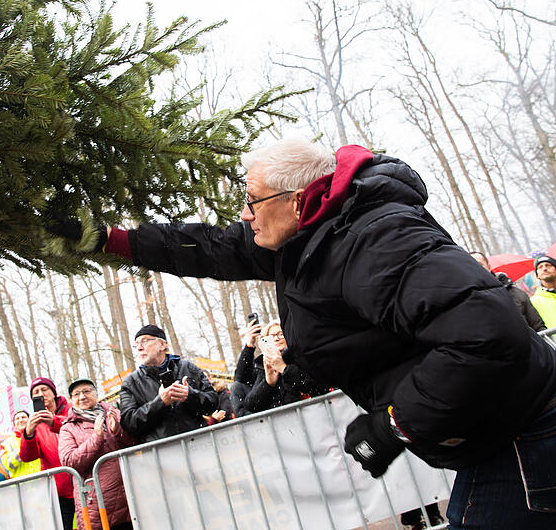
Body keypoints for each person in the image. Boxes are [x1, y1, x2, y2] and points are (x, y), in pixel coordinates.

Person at [74, 137, 556, 529]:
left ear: (297, 199)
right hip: (490, 434)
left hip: (523, 432)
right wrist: (111, 239)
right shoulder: (303, 236)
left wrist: (396, 424)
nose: (244, 214)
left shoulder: (376, 240)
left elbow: (488, 334)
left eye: (251, 200)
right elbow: (210, 248)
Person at [119, 325, 218, 442]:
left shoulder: (188, 368)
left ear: (162, 345)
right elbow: (129, 424)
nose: (139, 347)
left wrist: (190, 395)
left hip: (199, 444)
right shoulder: (130, 383)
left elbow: (213, 403)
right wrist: (160, 403)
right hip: (161, 453)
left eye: (145, 341)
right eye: (136, 344)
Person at [59, 378, 135, 530]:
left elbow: (135, 443)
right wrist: (96, 438)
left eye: (87, 391)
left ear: (96, 393)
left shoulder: (115, 413)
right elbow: (69, 461)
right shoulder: (68, 428)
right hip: (98, 504)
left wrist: (117, 431)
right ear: (71, 400)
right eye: (76, 394)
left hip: (130, 496)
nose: (82, 397)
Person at [19, 377, 73, 530]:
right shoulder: (35, 422)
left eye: (44, 390)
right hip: (57, 490)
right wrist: (28, 434)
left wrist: (54, 421)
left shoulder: (71, 409)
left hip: (82, 482)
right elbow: (28, 456)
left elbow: (80, 427)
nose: (40, 394)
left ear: (53, 393)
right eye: (36, 392)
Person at [240, 320, 329, 413]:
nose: (276, 339)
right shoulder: (265, 366)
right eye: (271, 337)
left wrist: (284, 368)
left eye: (280, 334)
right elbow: (251, 405)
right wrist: (268, 384)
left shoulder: (302, 357)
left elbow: (318, 388)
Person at [470, 251, 546, 331]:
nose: (476, 268)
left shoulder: (516, 293)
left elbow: (538, 326)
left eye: (479, 264)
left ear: (489, 267)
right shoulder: (466, 302)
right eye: (470, 266)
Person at [0, 410, 41, 478]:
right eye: (17, 419)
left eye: (23, 417)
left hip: (42, 481)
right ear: (14, 424)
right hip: (20, 485)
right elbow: (7, 466)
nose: (20, 420)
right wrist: (24, 448)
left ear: (29, 420)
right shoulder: (5, 444)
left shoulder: (39, 436)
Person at [531, 254, 556, 328]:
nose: (544, 269)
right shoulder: (533, 302)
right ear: (537, 275)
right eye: (540, 267)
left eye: (548, 265)